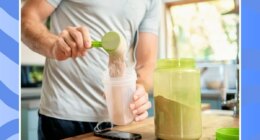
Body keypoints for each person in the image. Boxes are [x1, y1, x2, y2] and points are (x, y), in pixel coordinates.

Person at [21, 0, 160, 139]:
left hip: (120, 120)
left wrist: (139, 89)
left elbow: (146, 64)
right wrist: (54, 46)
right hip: (63, 117)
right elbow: (25, 18)